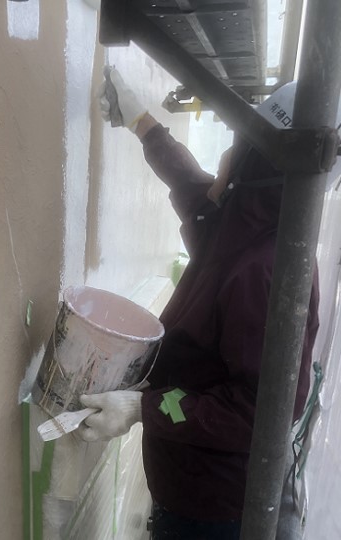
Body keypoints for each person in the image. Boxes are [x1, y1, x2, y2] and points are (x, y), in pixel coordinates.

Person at [77, 68, 320, 539]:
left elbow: (255, 412)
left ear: (255, 168)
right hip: (189, 494)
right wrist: (142, 123)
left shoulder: (264, 271)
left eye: (239, 143)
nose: (226, 151)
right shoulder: (244, 224)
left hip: (213, 517)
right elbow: (192, 187)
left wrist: (144, 409)